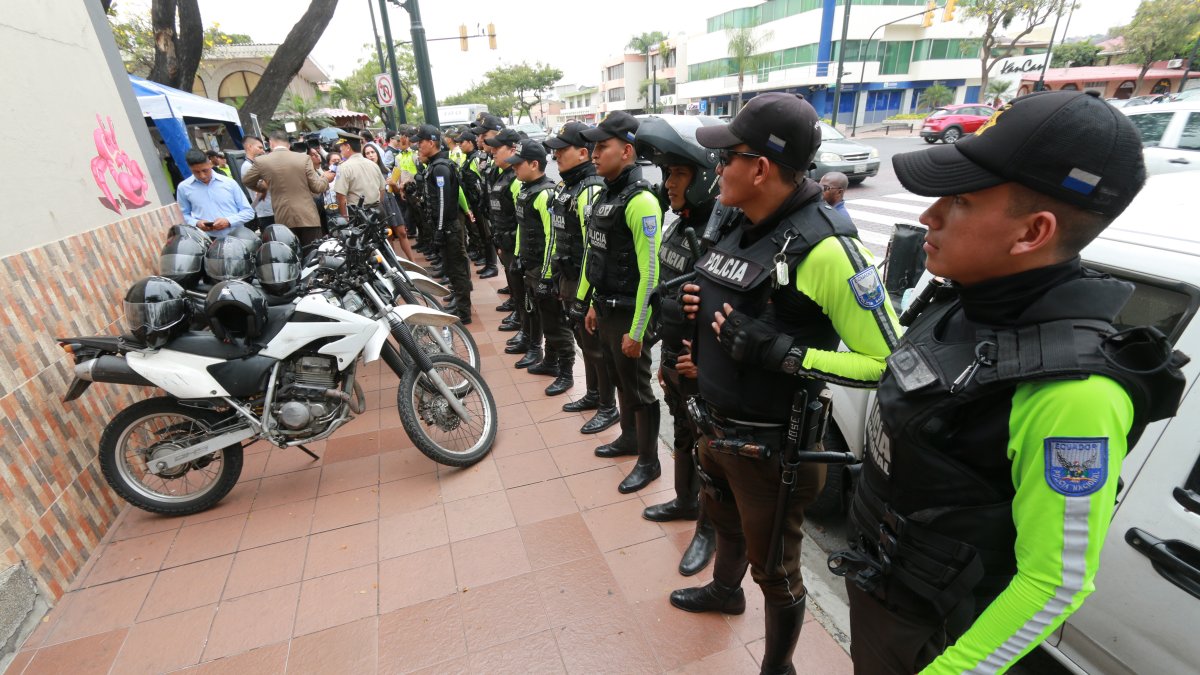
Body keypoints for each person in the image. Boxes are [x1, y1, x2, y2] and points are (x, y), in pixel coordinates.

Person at [831, 90, 1187, 674]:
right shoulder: (966, 301)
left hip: (943, 641)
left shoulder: (1076, 393)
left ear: (1032, 232)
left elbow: (1054, 580)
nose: (929, 216)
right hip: (885, 586)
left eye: (960, 200)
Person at [672, 93, 901, 675]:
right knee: (723, 524)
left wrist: (784, 353)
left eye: (726, 158)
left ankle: (778, 667)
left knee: (774, 571)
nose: (717, 168)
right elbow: (736, 301)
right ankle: (724, 591)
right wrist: (698, 306)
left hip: (770, 451)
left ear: (760, 168)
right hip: (716, 427)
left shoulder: (827, 250)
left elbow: (888, 365)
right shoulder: (739, 220)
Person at [633, 115, 722, 576]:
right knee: (683, 436)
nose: (668, 183)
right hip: (674, 360)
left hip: (703, 370)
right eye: (667, 173)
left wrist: (701, 361)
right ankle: (684, 501)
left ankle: (708, 529)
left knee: (709, 453)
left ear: (704, 176)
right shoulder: (680, 224)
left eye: (679, 173)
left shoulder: (720, 233)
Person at [577, 111, 664, 493]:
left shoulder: (640, 201)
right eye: (593, 148)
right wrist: (592, 303)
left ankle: (649, 461)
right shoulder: (607, 195)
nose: (594, 154)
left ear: (627, 151)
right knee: (620, 381)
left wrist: (637, 331)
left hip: (630, 313)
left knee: (639, 390)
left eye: (602, 147)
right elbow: (598, 255)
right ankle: (629, 438)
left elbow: (651, 273)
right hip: (607, 308)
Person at [546, 122, 619, 433]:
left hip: (584, 280)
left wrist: (585, 297)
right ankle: (592, 394)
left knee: (596, 346)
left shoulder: (590, 188)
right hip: (568, 275)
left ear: (582, 153)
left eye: (563, 150)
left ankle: (608, 406)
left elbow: (594, 247)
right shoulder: (567, 186)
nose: (557, 155)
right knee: (584, 342)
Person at [506, 139, 574, 390]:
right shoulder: (526, 190)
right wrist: (517, 257)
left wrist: (546, 277)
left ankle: (566, 372)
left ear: (534, 164)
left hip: (543, 270)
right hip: (530, 267)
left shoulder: (545, 193)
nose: (514, 168)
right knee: (540, 316)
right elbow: (522, 229)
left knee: (556, 323)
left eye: (519, 164)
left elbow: (552, 238)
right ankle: (550, 360)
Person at [415, 124, 473, 323]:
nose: (418, 146)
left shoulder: (440, 167)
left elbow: (443, 201)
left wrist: (439, 230)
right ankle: (459, 302)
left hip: (449, 228)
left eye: (421, 142)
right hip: (444, 228)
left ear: (431, 142)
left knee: (457, 269)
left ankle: (464, 311)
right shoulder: (436, 165)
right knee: (451, 268)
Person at [241, 131, 330, 248]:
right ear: (288, 145)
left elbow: (247, 181)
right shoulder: (303, 159)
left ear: (271, 143)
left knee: (291, 254)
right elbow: (317, 187)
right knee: (313, 254)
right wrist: (325, 178)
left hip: (283, 219)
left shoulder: (262, 161)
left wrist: (263, 188)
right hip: (308, 217)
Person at [486, 127, 528, 341]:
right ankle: (520, 318)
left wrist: (515, 246)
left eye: (498, 148)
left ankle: (525, 327)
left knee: (522, 290)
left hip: (515, 243)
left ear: (513, 149)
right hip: (506, 241)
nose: (493, 152)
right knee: (515, 286)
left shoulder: (516, 179)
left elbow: (522, 219)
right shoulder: (504, 175)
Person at [177, 149, 254, 239]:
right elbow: (182, 216)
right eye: (196, 172)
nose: (202, 175)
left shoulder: (229, 183)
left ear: (210, 164)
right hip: (208, 239)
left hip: (237, 237)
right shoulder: (184, 188)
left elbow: (248, 212)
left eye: (205, 170)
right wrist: (196, 223)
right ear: (190, 169)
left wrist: (228, 221)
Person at [459, 130, 499, 279]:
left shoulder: (476, 158)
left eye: (462, 142)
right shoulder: (474, 158)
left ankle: (492, 265)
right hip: (477, 201)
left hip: (481, 202)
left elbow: (481, 180)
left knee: (487, 235)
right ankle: (489, 263)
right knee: (483, 234)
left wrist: (482, 200)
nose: (479, 139)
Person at [331, 134, 386, 217]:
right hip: (377, 210)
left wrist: (344, 217)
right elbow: (382, 189)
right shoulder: (373, 164)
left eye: (342, 146)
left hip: (359, 214)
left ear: (348, 147)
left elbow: (340, 196)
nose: (340, 149)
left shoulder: (344, 167)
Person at [241, 138, 274, 230]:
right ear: (250, 147)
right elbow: (263, 187)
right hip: (266, 211)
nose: (262, 151)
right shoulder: (247, 166)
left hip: (270, 208)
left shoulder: (255, 164)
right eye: (259, 147)